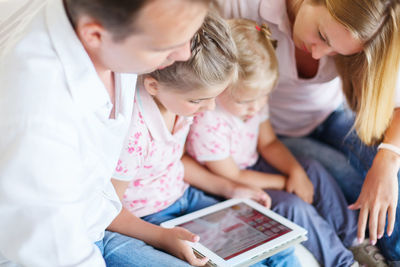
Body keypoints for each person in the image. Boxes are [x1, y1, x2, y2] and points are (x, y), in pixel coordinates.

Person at [0, 0, 211, 266]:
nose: (184, 54)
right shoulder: (38, 119)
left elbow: (94, 189)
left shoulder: (112, 43)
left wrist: (158, 236)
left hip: (100, 226)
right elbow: (53, 253)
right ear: (94, 35)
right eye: (165, 46)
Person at [215, 0, 400, 265]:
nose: (317, 54)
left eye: (336, 52)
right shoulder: (244, 6)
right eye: (322, 36)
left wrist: (388, 160)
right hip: (279, 133)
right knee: (347, 178)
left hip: (333, 113)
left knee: (389, 178)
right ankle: (357, 248)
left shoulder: (370, 28)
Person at [109, 13, 300, 267]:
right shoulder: (134, 132)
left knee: (279, 247)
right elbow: (107, 209)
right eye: (199, 100)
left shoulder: (181, 103)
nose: (210, 108)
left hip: (185, 198)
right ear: (153, 86)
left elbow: (174, 161)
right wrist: (162, 238)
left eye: (214, 97)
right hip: (146, 218)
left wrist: (228, 189)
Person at [186, 18, 360, 267]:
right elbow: (232, 175)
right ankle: (342, 262)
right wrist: (287, 181)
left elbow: (268, 143)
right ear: (221, 85)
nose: (255, 107)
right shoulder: (208, 122)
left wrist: (297, 172)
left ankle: (353, 237)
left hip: (253, 168)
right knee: (293, 206)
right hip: (229, 185)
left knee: (312, 169)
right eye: (245, 102)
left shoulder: (253, 101)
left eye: (262, 97)